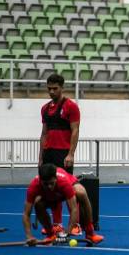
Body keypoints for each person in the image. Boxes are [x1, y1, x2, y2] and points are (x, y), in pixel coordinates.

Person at [38, 73, 81, 234]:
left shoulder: (71, 107)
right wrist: (41, 157)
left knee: (68, 189)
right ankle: (57, 224)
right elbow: (43, 134)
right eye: (49, 89)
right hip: (48, 153)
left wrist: (71, 154)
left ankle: (75, 225)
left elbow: (75, 130)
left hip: (63, 153)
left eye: (55, 89)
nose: (51, 92)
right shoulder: (44, 109)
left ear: (62, 88)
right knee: (51, 190)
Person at [22, 163, 103, 246]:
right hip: (50, 197)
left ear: (55, 178)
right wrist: (29, 236)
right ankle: (50, 235)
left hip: (65, 193)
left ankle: (90, 233)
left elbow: (74, 209)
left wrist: (67, 233)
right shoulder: (34, 186)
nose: (49, 186)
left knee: (81, 192)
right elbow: (26, 214)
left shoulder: (64, 182)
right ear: (40, 181)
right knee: (38, 204)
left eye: (51, 183)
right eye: (45, 184)